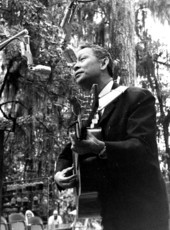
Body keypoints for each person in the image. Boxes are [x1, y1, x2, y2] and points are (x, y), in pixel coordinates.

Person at [54, 43, 169, 230]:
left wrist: (100, 147)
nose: (75, 66)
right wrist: (58, 175)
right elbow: (68, 152)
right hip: (109, 211)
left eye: (82, 59)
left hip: (143, 210)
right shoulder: (87, 114)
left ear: (104, 62)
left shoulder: (136, 97)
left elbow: (143, 147)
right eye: (74, 62)